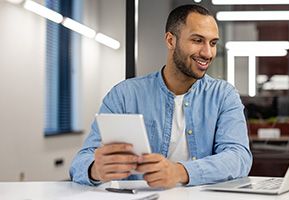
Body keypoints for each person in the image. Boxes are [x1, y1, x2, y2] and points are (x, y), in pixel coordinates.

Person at [70, 4, 252, 189]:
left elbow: (239, 157)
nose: (207, 53)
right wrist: (95, 169)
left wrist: (179, 172)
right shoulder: (124, 95)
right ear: (171, 41)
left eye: (213, 43)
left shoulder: (224, 95)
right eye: (197, 40)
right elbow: (81, 161)